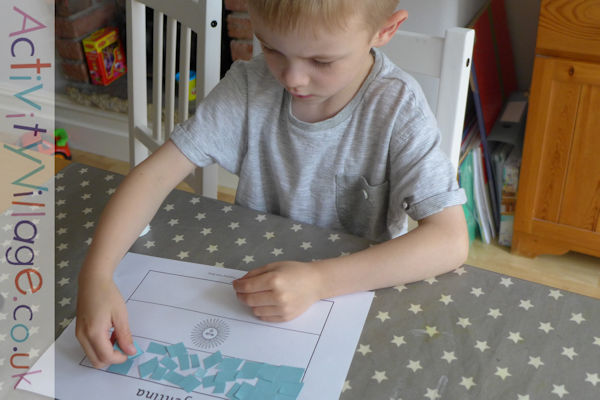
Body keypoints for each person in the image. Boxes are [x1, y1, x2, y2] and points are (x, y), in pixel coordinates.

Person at [76, 0, 469, 368]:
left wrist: (319, 281)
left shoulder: (398, 108)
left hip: (351, 291)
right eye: (272, 48)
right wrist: (96, 274)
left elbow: (450, 241)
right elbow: (154, 174)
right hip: (252, 283)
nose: (293, 78)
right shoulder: (251, 84)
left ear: (385, 30)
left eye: (321, 60)